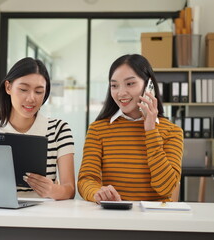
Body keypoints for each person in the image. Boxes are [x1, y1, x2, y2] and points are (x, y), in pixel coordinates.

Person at [78, 54, 183, 202]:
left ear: (149, 86)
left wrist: (151, 130)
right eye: (114, 85)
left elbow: (166, 187)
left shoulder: (172, 132)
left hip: (155, 221)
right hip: (113, 216)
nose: (121, 93)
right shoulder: (98, 129)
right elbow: (86, 179)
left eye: (130, 84)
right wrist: (98, 193)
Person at [0, 57, 75, 200]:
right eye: (23, 89)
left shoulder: (58, 129)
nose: (31, 98)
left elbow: (69, 190)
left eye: (39, 92)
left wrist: (52, 190)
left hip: (43, 215)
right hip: (0, 215)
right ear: (8, 87)